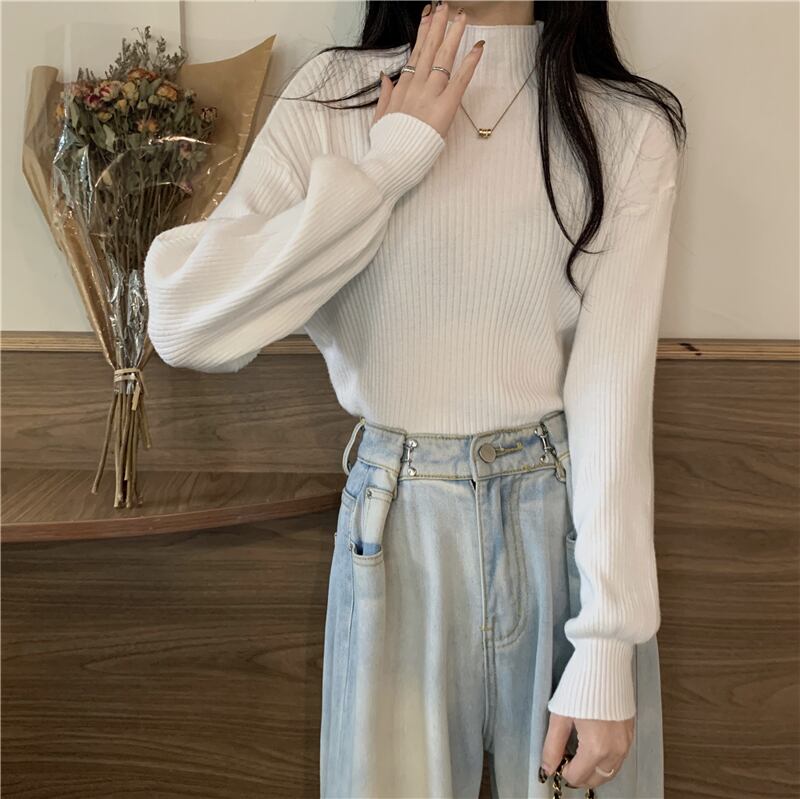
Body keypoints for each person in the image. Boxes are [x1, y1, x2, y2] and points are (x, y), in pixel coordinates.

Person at [144, 1, 686, 796]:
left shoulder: (624, 125)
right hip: (395, 528)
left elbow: (610, 388)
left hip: (562, 527)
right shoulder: (336, 96)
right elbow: (185, 322)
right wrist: (390, 162)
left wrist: (608, 641)